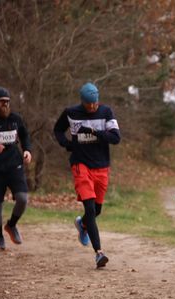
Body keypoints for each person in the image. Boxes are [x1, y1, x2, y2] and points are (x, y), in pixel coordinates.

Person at [54, 82, 120, 268]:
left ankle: (82, 225)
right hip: (80, 164)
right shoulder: (71, 113)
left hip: (101, 166)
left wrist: (94, 131)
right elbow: (58, 129)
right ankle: (99, 253)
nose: (92, 107)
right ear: (82, 101)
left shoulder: (106, 112)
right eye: (89, 104)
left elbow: (115, 138)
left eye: (95, 103)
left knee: (96, 210)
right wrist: (67, 144)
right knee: (90, 209)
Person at [0, 87, 32, 251]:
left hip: (14, 164)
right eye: (2, 102)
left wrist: (27, 150)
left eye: (8, 102)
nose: (5, 105)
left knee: (23, 199)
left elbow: (24, 135)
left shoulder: (15, 118)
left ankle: (11, 225)